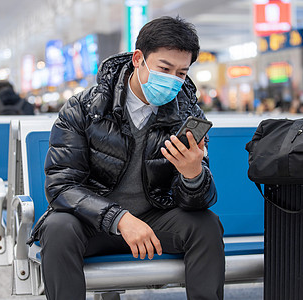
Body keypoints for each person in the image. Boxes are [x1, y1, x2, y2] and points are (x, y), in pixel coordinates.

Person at [31, 16, 225, 299]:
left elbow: (196, 203)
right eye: (164, 68)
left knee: (205, 225)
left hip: (153, 222)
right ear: (138, 59)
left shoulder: (188, 115)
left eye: (181, 73)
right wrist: (119, 218)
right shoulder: (84, 109)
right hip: (93, 224)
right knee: (58, 228)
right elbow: (61, 187)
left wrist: (193, 175)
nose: (172, 80)